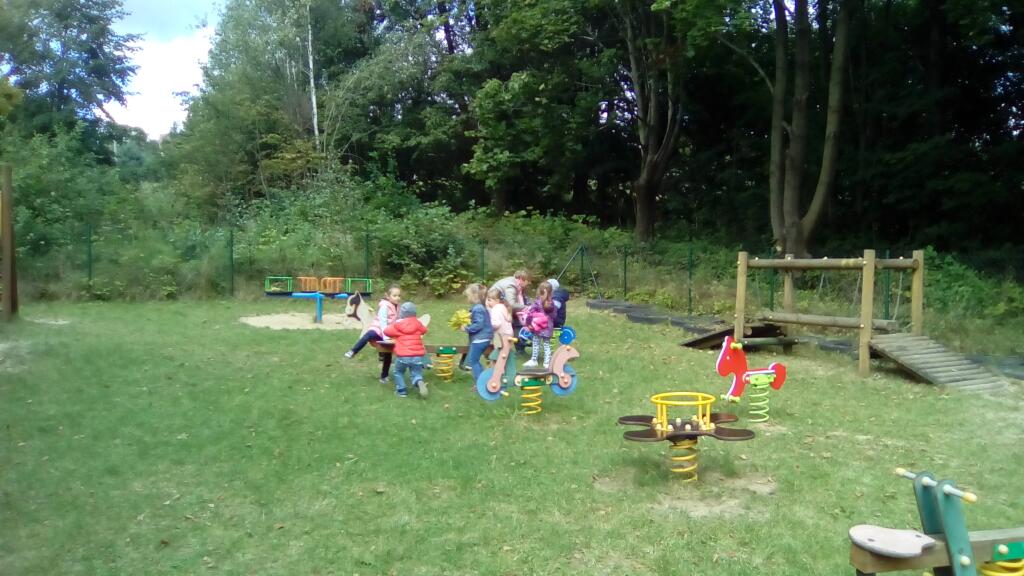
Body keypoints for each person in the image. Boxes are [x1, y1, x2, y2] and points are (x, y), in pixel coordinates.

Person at [344, 284, 401, 384]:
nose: (397, 298)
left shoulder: (397, 307)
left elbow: (397, 320)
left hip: (389, 332)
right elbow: (383, 322)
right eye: (394, 295)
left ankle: (384, 376)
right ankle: (353, 351)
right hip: (378, 329)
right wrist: (386, 337)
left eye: (399, 295)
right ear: (387, 296)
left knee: (388, 353)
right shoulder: (385, 306)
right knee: (368, 335)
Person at [382, 301, 429, 398]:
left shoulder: (398, 325)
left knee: (398, 372)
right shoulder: (418, 323)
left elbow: (386, 331)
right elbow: (424, 330)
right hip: (417, 356)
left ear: (401, 313)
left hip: (403, 355)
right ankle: (418, 381)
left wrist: (396, 326)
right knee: (416, 373)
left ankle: (402, 391)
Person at [491, 270, 531, 352]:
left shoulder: (517, 285)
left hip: (501, 306)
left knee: (517, 319)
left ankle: (519, 346)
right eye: (528, 281)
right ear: (522, 279)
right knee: (509, 324)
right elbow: (511, 304)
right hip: (494, 307)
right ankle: (501, 349)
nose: (529, 283)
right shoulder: (511, 285)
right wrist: (527, 307)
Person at [522, 281, 558, 368]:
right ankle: (547, 363)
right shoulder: (552, 303)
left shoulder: (537, 303)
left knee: (536, 342)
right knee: (546, 344)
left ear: (539, 291)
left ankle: (534, 360)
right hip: (547, 327)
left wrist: (528, 323)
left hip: (537, 327)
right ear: (551, 292)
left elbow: (530, 314)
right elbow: (554, 315)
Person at [462, 283, 493, 382]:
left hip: (480, 339)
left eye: (468, 295)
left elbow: (479, 324)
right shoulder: (478, 307)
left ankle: (480, 382)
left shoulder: (478, 308)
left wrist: (467, 328)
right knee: (475, 361)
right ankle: (484, 380)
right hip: (483, 338)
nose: (467, 298)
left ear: (475, 295)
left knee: (473, 361)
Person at [486, 287, 517, 385]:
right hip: (509, 334)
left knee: (500, 354)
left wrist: (488, 325)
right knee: (505, 353)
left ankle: (497, 375)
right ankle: (504, 372)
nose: (488, 302)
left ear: (497, 300)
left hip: (501, 335)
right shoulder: (503, 307)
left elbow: (496, 323)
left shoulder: (495, 309)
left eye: (489, 300)